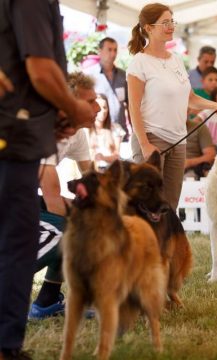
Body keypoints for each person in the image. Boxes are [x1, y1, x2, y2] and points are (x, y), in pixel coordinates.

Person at [0, 1, 95, 358]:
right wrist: (74, 108)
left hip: (17, 130)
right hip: (12, 138)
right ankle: (6, 347)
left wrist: (52, 111)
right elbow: (40, 69)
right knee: (16, 241)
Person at [126, 3, 217, 211]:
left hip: (178, 141)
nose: (171, 26)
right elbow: (133, 108)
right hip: (151, 138)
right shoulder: (139, 62)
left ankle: (166, 243)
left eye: (172, 21)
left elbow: (189, 98)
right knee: (146, 204)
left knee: (169, 205)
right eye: (165, 22)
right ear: (148, 28)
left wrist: (214, 104)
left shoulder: (176, 60)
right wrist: (145, 144)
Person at [29, 72, 100, 320]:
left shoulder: (77, 133)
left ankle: (47, 301)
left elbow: (92, 181)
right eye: (90, 101)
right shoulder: (45, 130)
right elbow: (54, 202)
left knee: (76, 224)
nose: (99, 107)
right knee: (66, 229)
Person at [84, 37, 130, 140]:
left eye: (115, 50)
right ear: (99, 51)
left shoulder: (124, 76)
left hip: (121, 133)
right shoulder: (89, 76)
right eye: (109, 49)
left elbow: (130, 105)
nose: (113, 54)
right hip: (99, 135)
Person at [88, 94, 123, 171]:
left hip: (111, 171)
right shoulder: (86, 130)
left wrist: (103, 158)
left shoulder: (116, 128)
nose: (103, 111)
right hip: (92, 171)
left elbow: (117, 156)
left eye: (105, 107)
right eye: (100, 107)